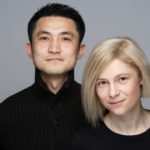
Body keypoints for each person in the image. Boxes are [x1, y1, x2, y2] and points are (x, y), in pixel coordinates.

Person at [0, 3, 88, 150]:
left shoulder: (102, 108)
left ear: (80, 50)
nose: (54, 49)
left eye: (65, 38)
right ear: (30, 49)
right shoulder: (5, 112)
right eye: (44, 38)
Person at [71, 37, 150, 150]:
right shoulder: (84, 141)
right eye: (103, 83)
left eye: (122, 79)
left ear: (141, 77)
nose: (112, 93)